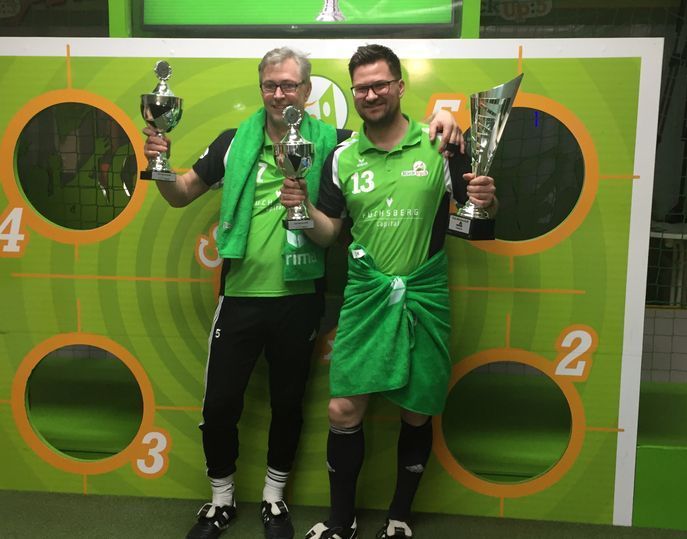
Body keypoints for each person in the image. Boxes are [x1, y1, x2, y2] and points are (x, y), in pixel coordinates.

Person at [142, 47, 464, 539]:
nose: (279, 93)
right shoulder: (233, 142)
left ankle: (274, 500)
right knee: (220, 406)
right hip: (241, 295)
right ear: (261, 88)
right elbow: (182, 192)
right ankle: (220, 501)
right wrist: (160, 164)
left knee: (288, 404)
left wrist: (445, 120)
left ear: (307, 91)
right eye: (270, 84)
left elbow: (391, 136)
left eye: (289, 84)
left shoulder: (335, 143)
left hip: (302, 296)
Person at [279, 44, 497, 539]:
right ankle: (341, 522)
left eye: (380, 84)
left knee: (417, 411)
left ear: (400, 85)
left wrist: (488, 199)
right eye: (361, 88)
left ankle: (399, 517)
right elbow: (329, 235)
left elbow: (478, 218)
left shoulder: (441, 143)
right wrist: (301, 207)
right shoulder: (341, 156)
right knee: (342, 409)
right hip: (365, 295)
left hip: (425, 294)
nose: (371, 94)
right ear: (353, 93)